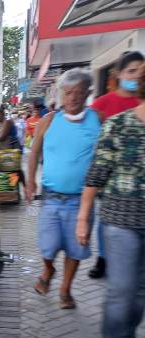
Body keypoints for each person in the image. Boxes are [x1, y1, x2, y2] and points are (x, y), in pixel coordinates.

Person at [75, 64, 145, 338]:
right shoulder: (118, 124)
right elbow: (96, 175)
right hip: (121, 220)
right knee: (122, 288)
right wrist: (83, 218)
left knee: (141, 290)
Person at [24, 68, 101, 310]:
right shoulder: (48, 121)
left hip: (82, 200)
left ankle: (65, 290)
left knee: (75, 249)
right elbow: (34, 151)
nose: (73, 98)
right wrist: (30, 180)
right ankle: (48, 268)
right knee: (47, 246)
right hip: (51, 197)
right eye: (68, 93)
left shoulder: (97, 120)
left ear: (88, 93)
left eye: (79, 93)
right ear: (60, 94)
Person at [86, 50, 144, 279]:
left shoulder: (141, 101)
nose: (136, 77)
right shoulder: (102, 104)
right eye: (131, 71)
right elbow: (93, 139)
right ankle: (103, 258)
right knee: (106, 220)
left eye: (140, 72)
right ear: (118, 74)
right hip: (111, 179)